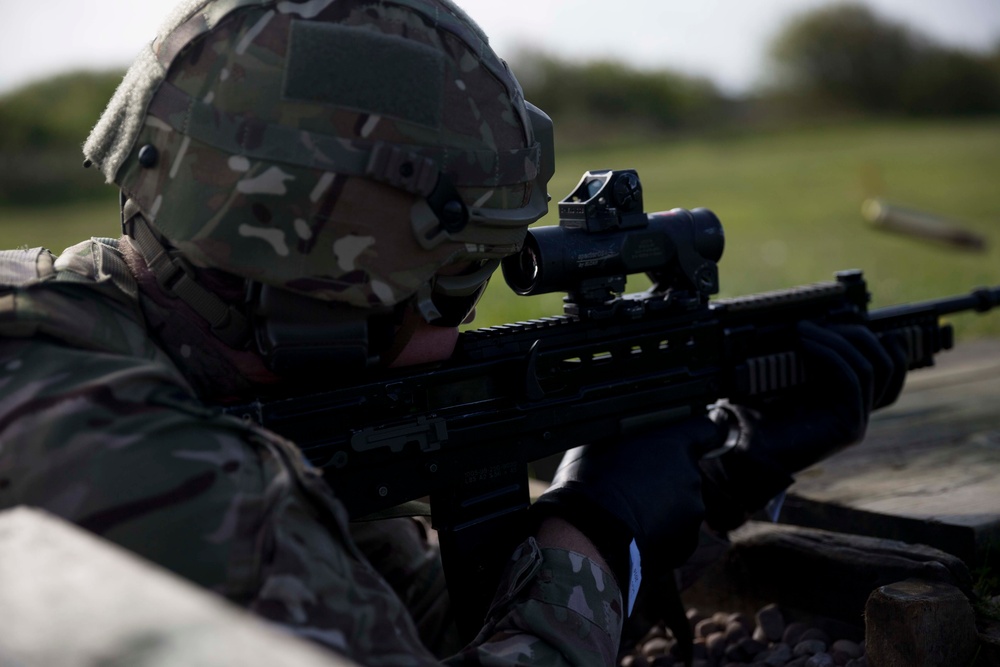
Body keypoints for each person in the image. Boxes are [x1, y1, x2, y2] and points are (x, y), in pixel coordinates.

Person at [0, 0, 906, 664]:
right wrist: (591, 533)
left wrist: (715, 481)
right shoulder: (203, 492)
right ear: (312, 303)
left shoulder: (103, 344)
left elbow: (398, 617)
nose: (463, 330)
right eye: (451, 293)